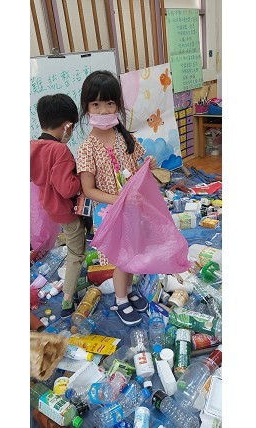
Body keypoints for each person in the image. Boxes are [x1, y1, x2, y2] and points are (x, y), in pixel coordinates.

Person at [76, 70, 157, 326]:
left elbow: (137, 168)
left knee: (132, 254)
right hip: (109, 213)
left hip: (133, 210)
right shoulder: (87, 148)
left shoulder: (124, 137)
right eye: (96, 104)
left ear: (118, 105)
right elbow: (89, 190)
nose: (103, 110)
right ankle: (121, 300)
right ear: (86, 108)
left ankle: (129, 290)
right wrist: (119, 200)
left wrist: (147, 164)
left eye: (109, 103)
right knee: (122, 258)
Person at [30, 94, 85, 318]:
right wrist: (81, 177)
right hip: (66, 210)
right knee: (76, 253)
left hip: (48, 207)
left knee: (69, 244)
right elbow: (67, 189)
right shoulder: (60, 150)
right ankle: (68, 302)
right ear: (67, 126)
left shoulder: (32, 146)